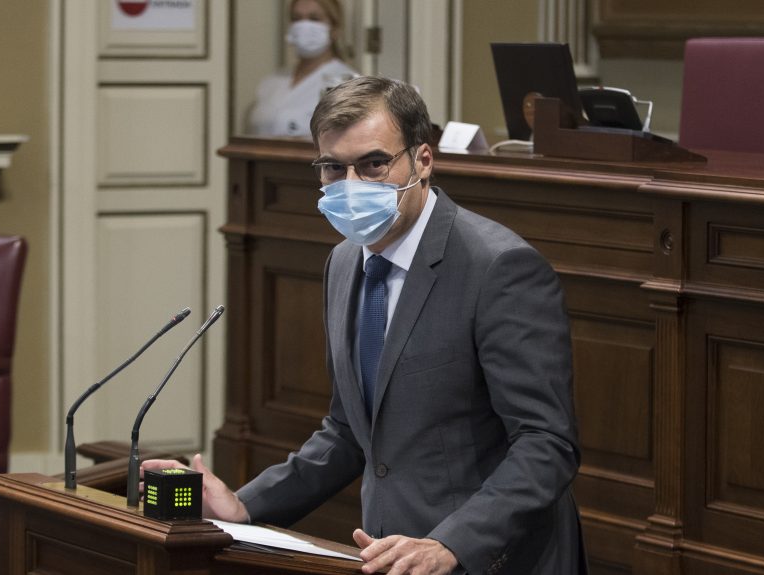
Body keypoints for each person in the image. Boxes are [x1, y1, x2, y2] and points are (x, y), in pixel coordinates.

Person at [145, 76, 586, 575]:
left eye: (374, 164)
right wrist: (245, 508)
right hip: (389, 555)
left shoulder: (498, 268)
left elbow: (547, 444)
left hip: (493, 560)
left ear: (422, 160)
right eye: (334, 167)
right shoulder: (343, 262)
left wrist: (453, 544)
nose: (352, 185)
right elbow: (351, 431)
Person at [247, 0, 357, 137]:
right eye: (296, 18)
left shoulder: (347, 83)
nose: (304, 26)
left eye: (314, 18)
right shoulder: (272, 81)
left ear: (334, 29)